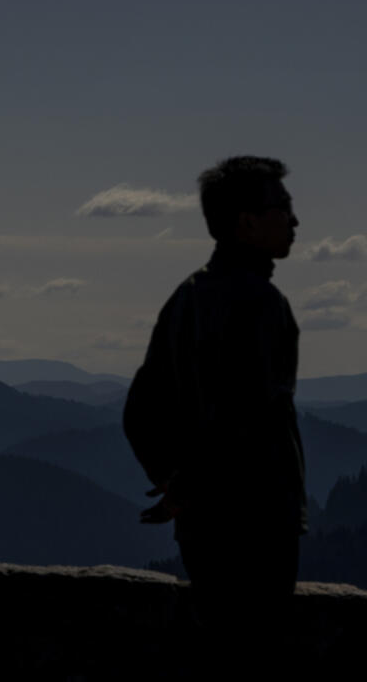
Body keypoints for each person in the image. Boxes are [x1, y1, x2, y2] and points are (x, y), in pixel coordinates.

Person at [124, 156, 304, 677]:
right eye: (284, 209)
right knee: (252, 658)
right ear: (246, 221)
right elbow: (248, 420)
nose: (295, 222)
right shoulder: (264, 303)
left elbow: (139, 410)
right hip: (259, 521)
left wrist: (174, 482)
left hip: (203, 527)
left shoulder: (186, 297)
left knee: (220, 655)